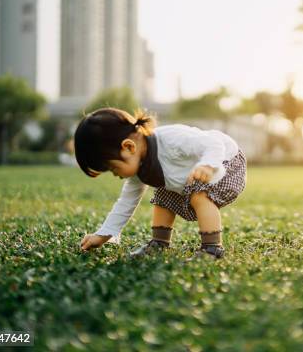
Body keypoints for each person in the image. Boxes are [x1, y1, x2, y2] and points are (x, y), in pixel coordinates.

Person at [75, 108, 247, 259]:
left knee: (198, 195)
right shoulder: (138, 170)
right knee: (162, 195)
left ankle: (212, 248)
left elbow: (213, 143)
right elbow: (125, 203)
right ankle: (159, 243)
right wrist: (103, 235)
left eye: (113, 168)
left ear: (128, 147)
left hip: (225, 161)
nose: (116, 175)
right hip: (190, 175)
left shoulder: (172, 138)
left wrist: (208, 164)